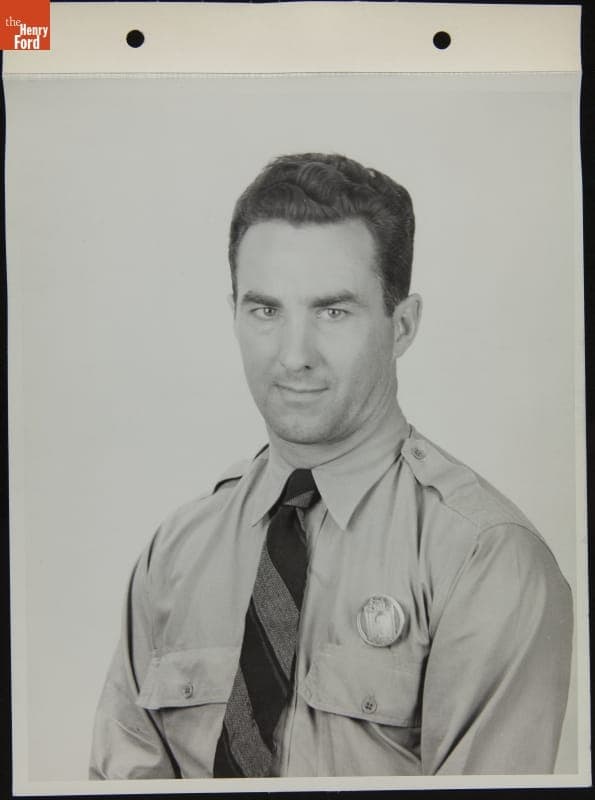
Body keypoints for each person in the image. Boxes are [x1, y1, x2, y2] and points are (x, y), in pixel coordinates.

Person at [89, 153, 573, 779]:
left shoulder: (484, 560)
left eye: (332, 311)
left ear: (403, 326)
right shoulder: (176, 553)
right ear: (234, 313)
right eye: (266, 310)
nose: (294, 355)